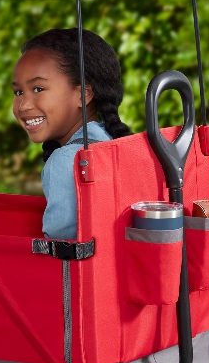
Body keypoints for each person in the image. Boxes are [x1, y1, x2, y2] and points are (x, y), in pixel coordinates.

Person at [12, 28, 131, 240]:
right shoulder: (116, 143)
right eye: (18, 92)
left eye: (38, 89)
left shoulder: (66, 161)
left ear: (83, 95)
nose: (24, 105)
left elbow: (59, 248)